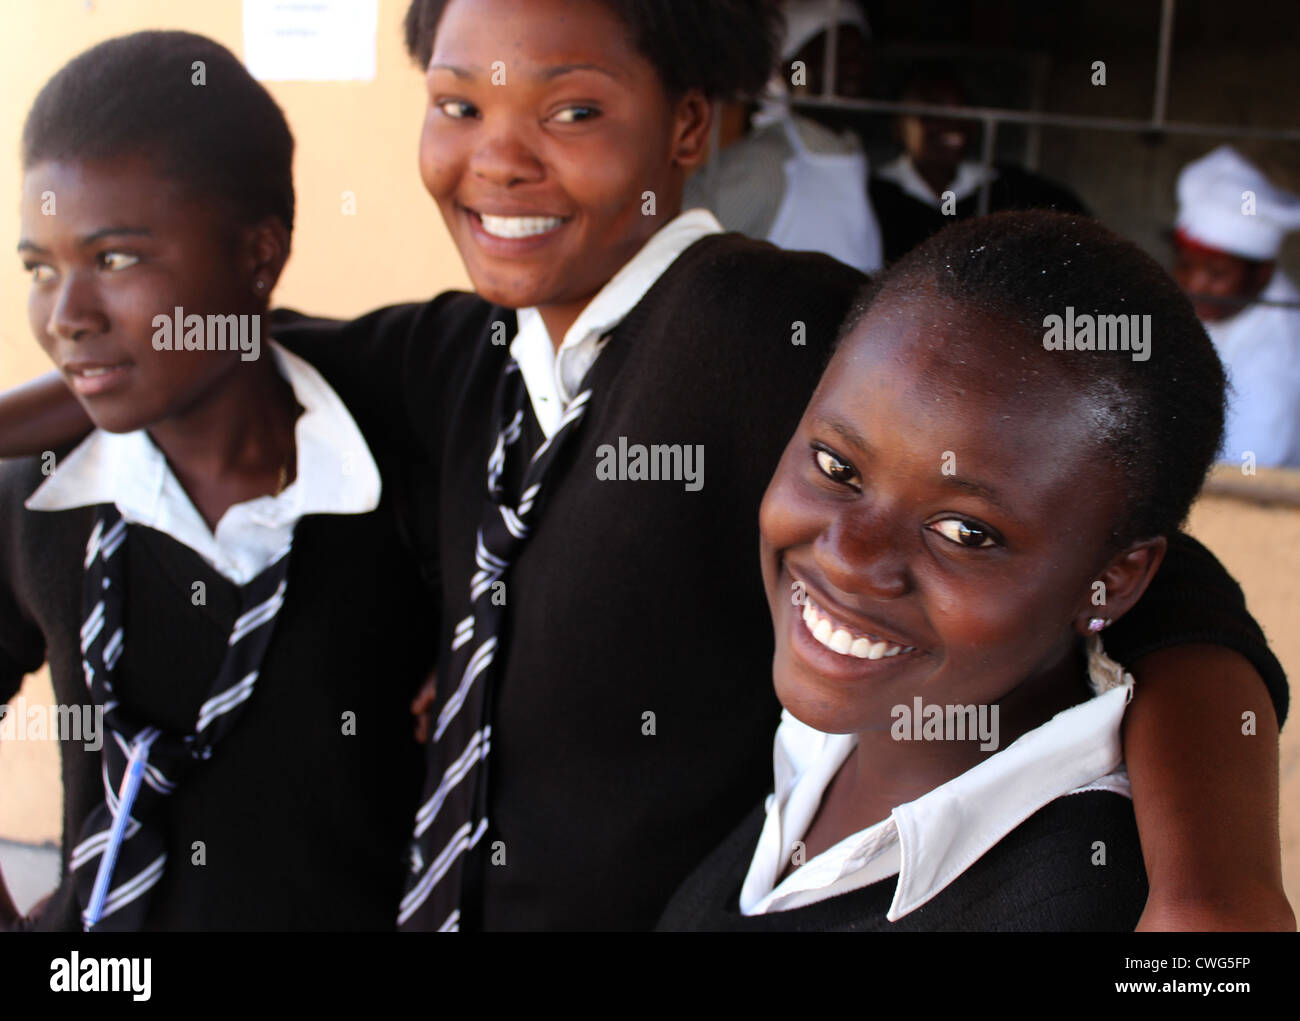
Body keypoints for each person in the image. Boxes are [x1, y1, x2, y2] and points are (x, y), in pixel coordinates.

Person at [0, 1, 1291, 932]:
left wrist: (1215, 881)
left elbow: (1138, 554)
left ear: (686, 127)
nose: (500, 156)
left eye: (570, 110)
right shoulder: (462, 358)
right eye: (458, 104)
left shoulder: (761, 328)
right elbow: (225, 341)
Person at [660, 211, 1238, 930]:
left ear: (1114, 581)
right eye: (838, 467)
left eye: (965, 531)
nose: (850, 554)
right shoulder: (819, 733)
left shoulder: (1078, 903)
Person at [0, 31, 437, 931]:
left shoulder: (396, 479)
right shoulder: (39, 499)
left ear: (259, 255)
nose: (67, 316)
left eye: (115, 258)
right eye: (40, 268)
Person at [682, 0, 883, 272]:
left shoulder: (853, 157)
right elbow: (684, 255)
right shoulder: (765, 163)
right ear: (791, 70)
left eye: (859, 55)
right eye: (837, 57)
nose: (854, 69)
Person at [869, 67, 1088, 263]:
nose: (952, 123)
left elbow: (1078, 231)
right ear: (899, 127)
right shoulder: (873, 194)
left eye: (962, 111)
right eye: (933, 112)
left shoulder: (1014, 189)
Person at [1172, 145, 1300, 468]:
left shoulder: (1276, 355)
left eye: (1217, 274)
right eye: (1186, 265)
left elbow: (1246, 476)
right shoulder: (1209, 311)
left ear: (1261, 275)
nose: (1195, 285)